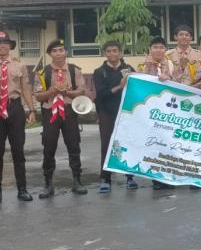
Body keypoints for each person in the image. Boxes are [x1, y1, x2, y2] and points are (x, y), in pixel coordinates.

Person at [34, 39, 87, 198]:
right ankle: (48, 184)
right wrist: (52, 91)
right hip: (50, 112)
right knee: (49, 147)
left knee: (74, 145)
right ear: (50, 54)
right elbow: (38, 96)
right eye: (54, 51)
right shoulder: (42, 73)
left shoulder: (74, 70)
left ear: (66, 52)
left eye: (61, 50)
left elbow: (81, 91)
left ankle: (77, 180)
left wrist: (67, 93)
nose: (58, 53)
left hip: (69, 111)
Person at [138, 36, 183, 189]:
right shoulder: (142, 65)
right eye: (155, 47)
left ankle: (170, 176)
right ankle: (156, 178)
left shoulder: (172, 65)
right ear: (150, 50)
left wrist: (168, 79)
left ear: (165, 50)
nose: (158, 50)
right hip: (151, 110)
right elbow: (139, 85)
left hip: (169, 110)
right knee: (153, 143)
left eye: (161, 47)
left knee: (169, 143)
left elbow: (181, 85)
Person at [93, 40, 137, 193]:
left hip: (126, 112)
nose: (112, 54)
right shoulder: (99, 72)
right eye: (109, 51)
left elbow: (136, 90)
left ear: (120, 52)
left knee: (127, 144)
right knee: (107, 145)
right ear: (105, 53)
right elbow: (101, 95)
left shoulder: (129, 69)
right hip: (106, 112)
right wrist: (120, 86)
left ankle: (130, 177)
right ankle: (105, 179)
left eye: (115, 50)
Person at [0, 31, 36, 203]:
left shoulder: (20, 65)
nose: (2, 46)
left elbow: (26, 88)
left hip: (14, 107)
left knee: (18, 151)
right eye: (0, 43)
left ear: (10, 46)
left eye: (5, 43)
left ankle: (22, 189)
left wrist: (32, 109)